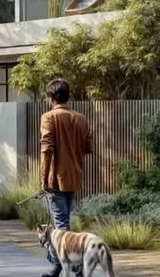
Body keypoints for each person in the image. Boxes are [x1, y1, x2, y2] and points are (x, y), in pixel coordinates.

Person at [39, 78, 93, 277]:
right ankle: (57, 267)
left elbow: (46, 150)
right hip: (74, 178)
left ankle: (74, 267)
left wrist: (44, 180)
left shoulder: (48, 117)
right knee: (62, 223)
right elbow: (88, 148)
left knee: (61, 227)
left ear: (52, 97)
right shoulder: (80, 118)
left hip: (55, 180)